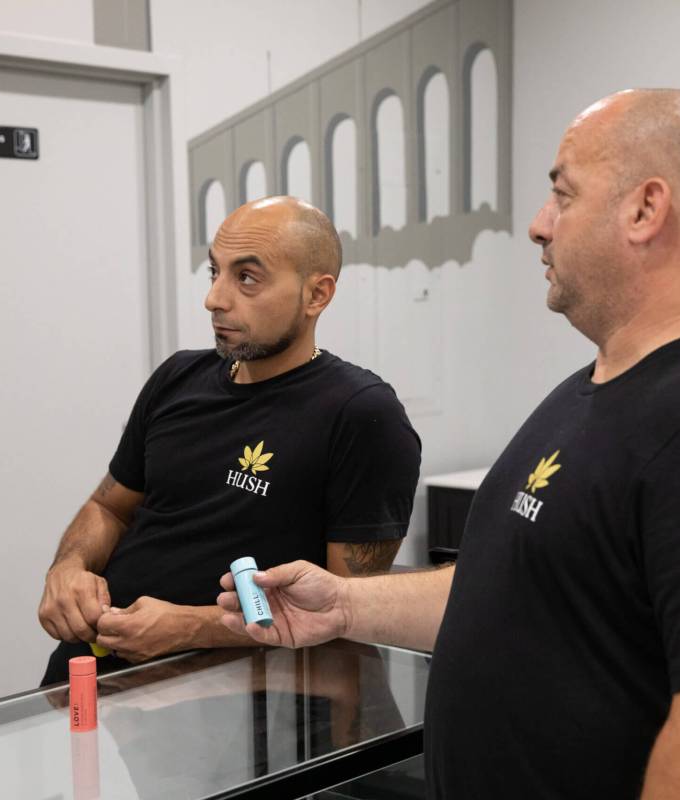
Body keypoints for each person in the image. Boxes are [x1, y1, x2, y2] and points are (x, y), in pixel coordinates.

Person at [218, 90, 680, 800]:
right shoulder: (597, 390)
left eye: (562, 194)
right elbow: (516, 584)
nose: (539, 226)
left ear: (645, 209)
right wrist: (346, 605)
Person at [38, 196, 421, 685]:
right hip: (91, 671)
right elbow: (109, 507)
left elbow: (347, 613)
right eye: (214, 272)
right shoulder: (179, 376)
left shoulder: (361, 413)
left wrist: (189, 628)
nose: (214, 298)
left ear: (316, 295)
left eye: (246, 277)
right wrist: (68, 568)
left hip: (233, 705)